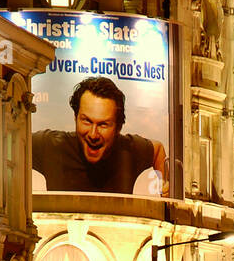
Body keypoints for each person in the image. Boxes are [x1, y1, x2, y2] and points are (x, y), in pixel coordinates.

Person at [32, 76, 168, 194]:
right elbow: (14, 141)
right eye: (86, 121)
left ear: (118, 127)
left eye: (103, 124)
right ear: (75, 117)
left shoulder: (128, 150)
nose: (93, 134)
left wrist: (165, 186)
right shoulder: (51, 145)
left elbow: (157, 150)